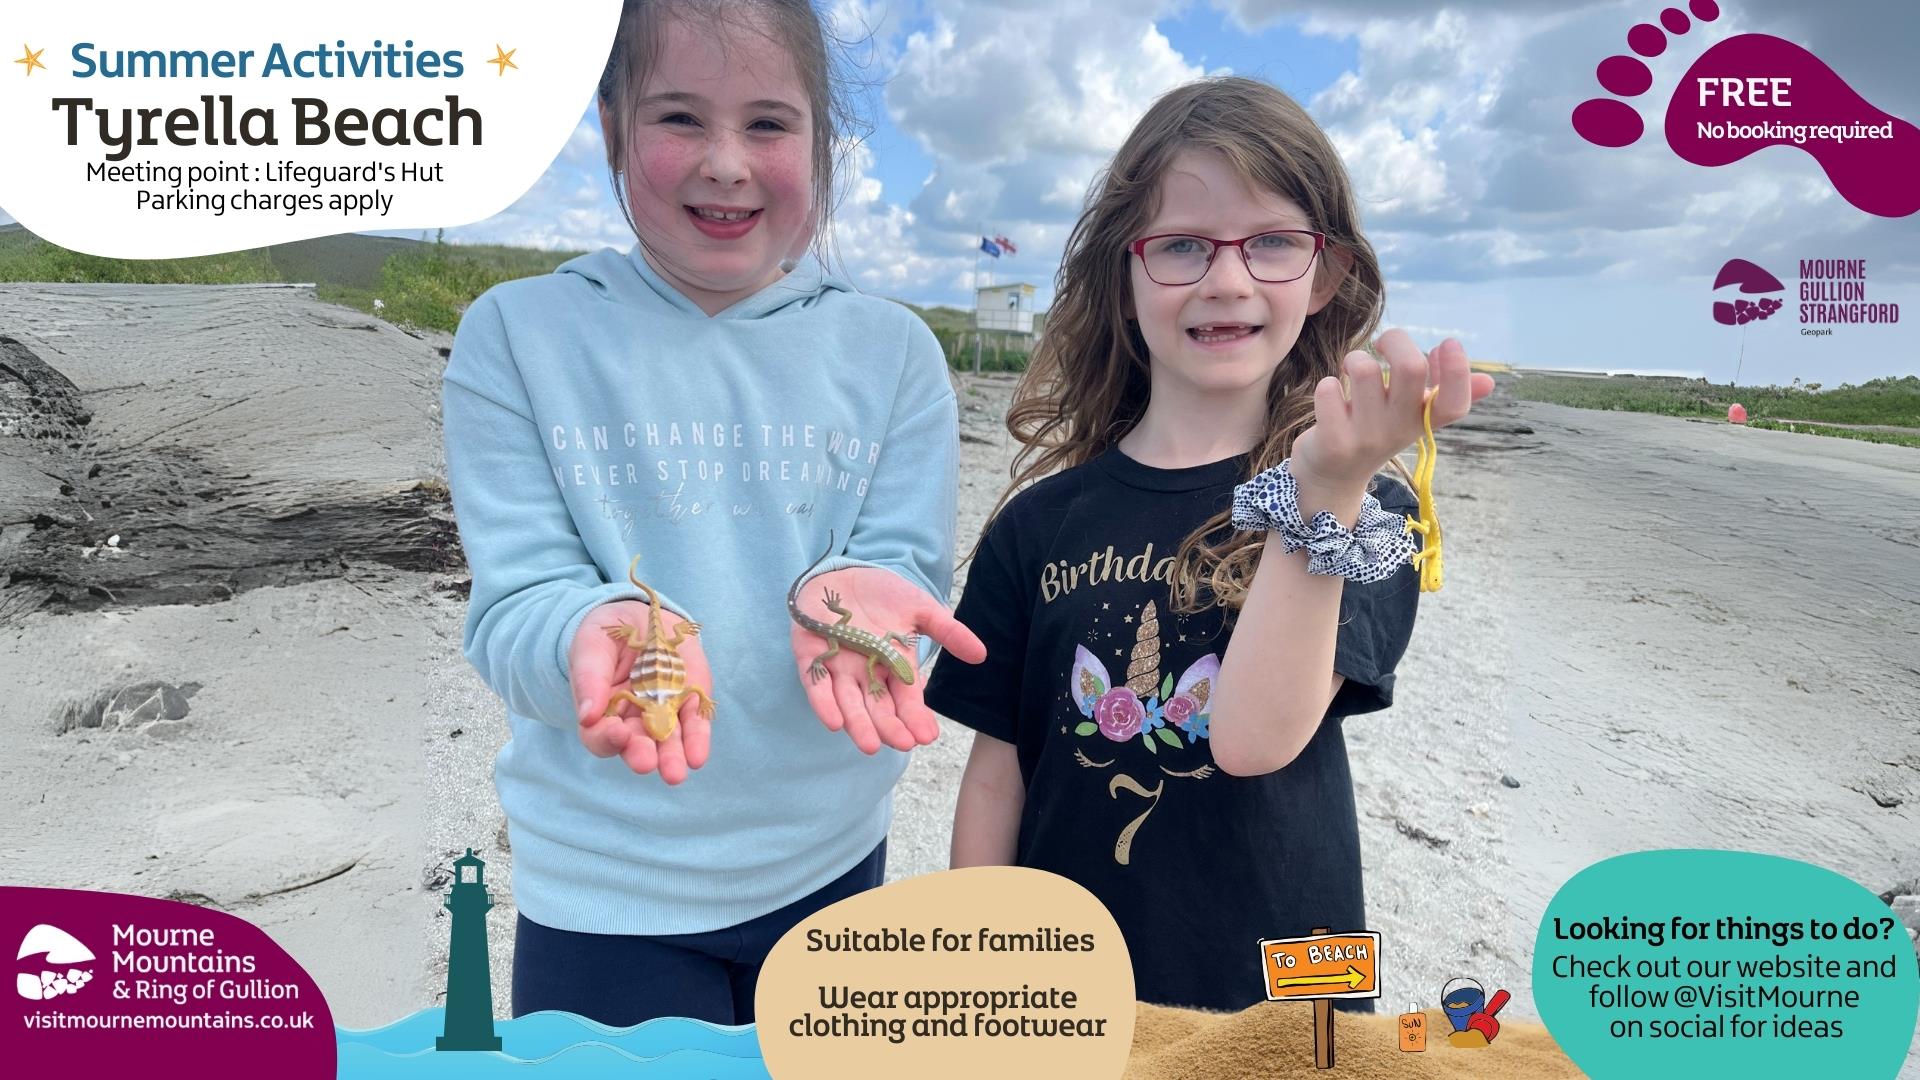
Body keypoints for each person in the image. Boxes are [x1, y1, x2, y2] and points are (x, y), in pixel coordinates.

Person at [441, 0, 984, 1027]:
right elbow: (514, 609)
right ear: (609, 128)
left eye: (771, 125)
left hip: (830, 863)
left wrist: (869, 609)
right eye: (680, 118)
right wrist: (586, 631)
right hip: (603, 888)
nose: (727, 162)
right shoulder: (517, 335)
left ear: (825, 145)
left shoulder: (896, 354)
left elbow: (907, 582)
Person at [926, 76, 1493, 1012]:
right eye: (1182, 245)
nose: (1226, 279)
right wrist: (984, 968)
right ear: (1125, 271)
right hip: (1073, 985)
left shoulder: (1369, 510)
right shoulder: (1040, 522)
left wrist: (1329, 485)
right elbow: (998, 770)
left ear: (1328, 274)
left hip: (1288, 990)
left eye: (1271, 242)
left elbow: (1252, 740)